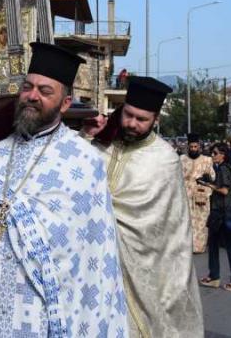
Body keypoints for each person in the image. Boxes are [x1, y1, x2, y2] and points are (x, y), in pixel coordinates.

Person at [0, 42, 128, 337]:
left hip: (39, 307)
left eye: (45, 91)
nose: (32, 96)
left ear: (65, 103)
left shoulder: (84, 160)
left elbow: (90, 256)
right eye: (27, 87)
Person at [87, 76, 204, 337]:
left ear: (156, 120)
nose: (132, 124)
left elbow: (173, 227)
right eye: (128, 115)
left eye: (142, 120)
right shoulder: (99, 146)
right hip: (94, 263)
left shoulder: (164, 160)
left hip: (144, 266)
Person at [200, 142, 231, 292]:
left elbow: (224, 190)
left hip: (223, 212)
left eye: (215, 153)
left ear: (223, 155)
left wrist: (208, 184)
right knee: (213, 245)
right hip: (222, 211)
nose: (212, 156)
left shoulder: (224, 168)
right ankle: (214, 277)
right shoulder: (225, 168)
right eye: (211, 153)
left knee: (229, 247)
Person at [181, 132, 216, 253]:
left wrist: (206, 179)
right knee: (187, 221)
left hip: (201, 195)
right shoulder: (182, 159)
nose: (193, 149)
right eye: (191, 147)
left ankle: (199, 247)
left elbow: (212, 177)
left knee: (201, 222)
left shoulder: (207, 160)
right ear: (188, 147)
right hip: (185, 195)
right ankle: (187, 247)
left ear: (199, 147)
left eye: (195, 147)